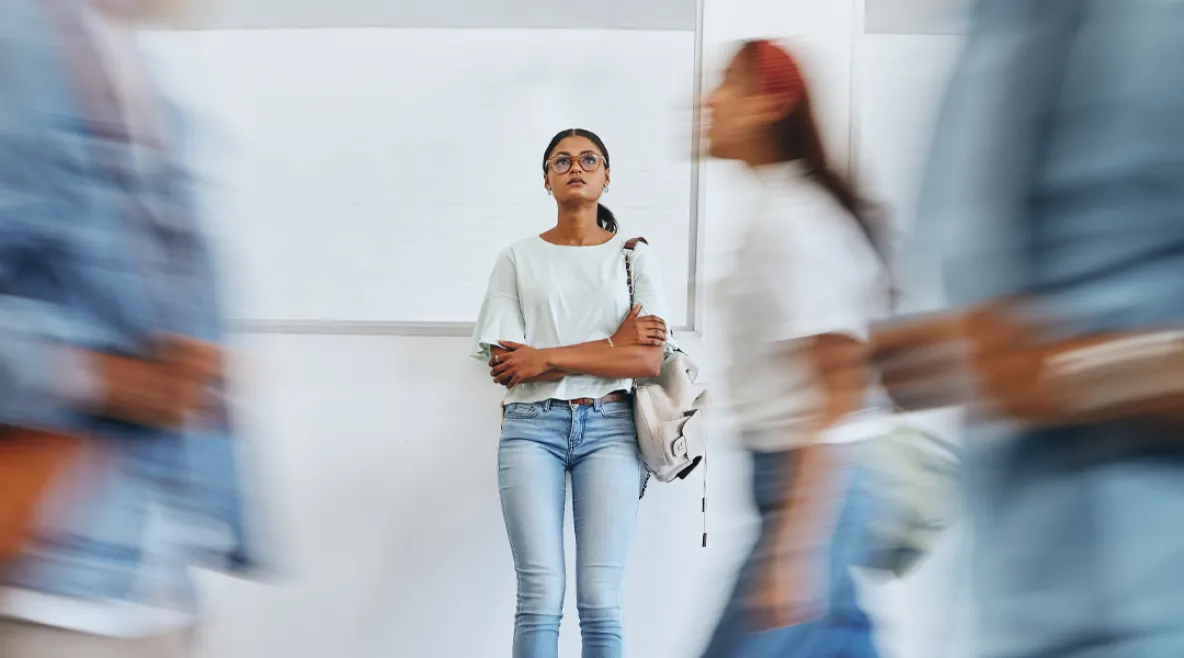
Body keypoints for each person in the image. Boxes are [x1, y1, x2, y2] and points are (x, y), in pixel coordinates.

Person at [873, 1, 1184, 656]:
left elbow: (1031, 366)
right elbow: (993, 336)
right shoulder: (997, 33)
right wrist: (937, 360)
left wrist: (1066, 376)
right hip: (1014, 599)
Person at [0, 0, 265, 656]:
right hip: (47, 568)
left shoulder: (135, 71)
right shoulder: (20, 47)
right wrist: (94, 377)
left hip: (152, 564)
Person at [697, 40, 888, 657]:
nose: (707, 100)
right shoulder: (777, 211)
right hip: (802, 486)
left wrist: (797, 543)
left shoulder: (793, 220)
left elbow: (838, 384)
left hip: (810, 492)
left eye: (727, 84)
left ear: (769, 104)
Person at [470, 128, 672, 658]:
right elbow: (509, 366)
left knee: (601, 601)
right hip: (530, 429)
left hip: (611, 428)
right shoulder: (515, 258)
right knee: (539, 597)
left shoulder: (633, 257)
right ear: (546, 179)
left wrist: (549, 356)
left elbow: (646, 359)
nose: (575, 167)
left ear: (606, 177)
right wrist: (612, 345)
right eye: (562, 161)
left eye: (589, 159)